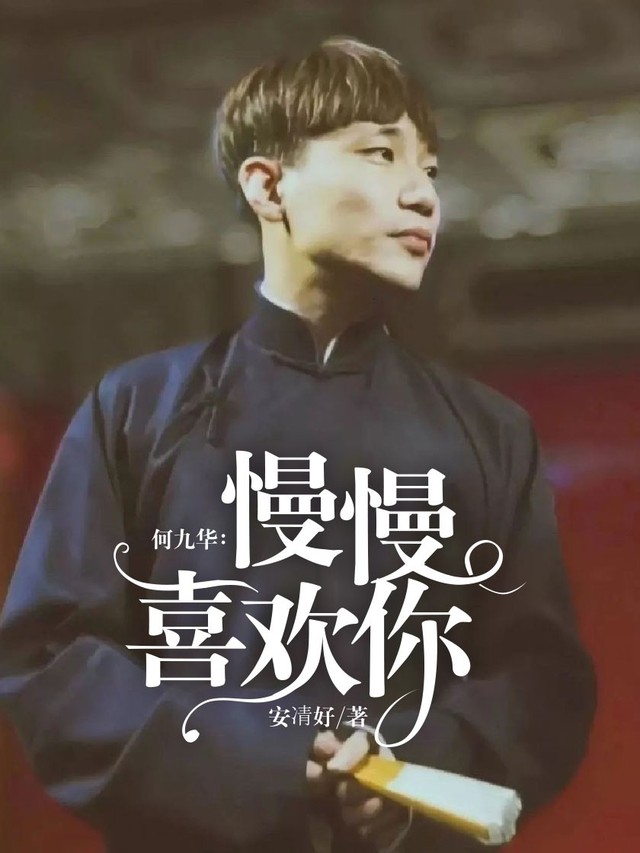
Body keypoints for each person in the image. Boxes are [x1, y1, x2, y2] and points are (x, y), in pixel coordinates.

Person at [0, 36, 596, 853]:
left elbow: (541, 676)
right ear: (267, 184)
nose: (422, 194)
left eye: (429, 169)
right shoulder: (138, 406)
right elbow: (53, 655)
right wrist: (274, 769)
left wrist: (406, 776)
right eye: (381, 154)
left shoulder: (490, 431)